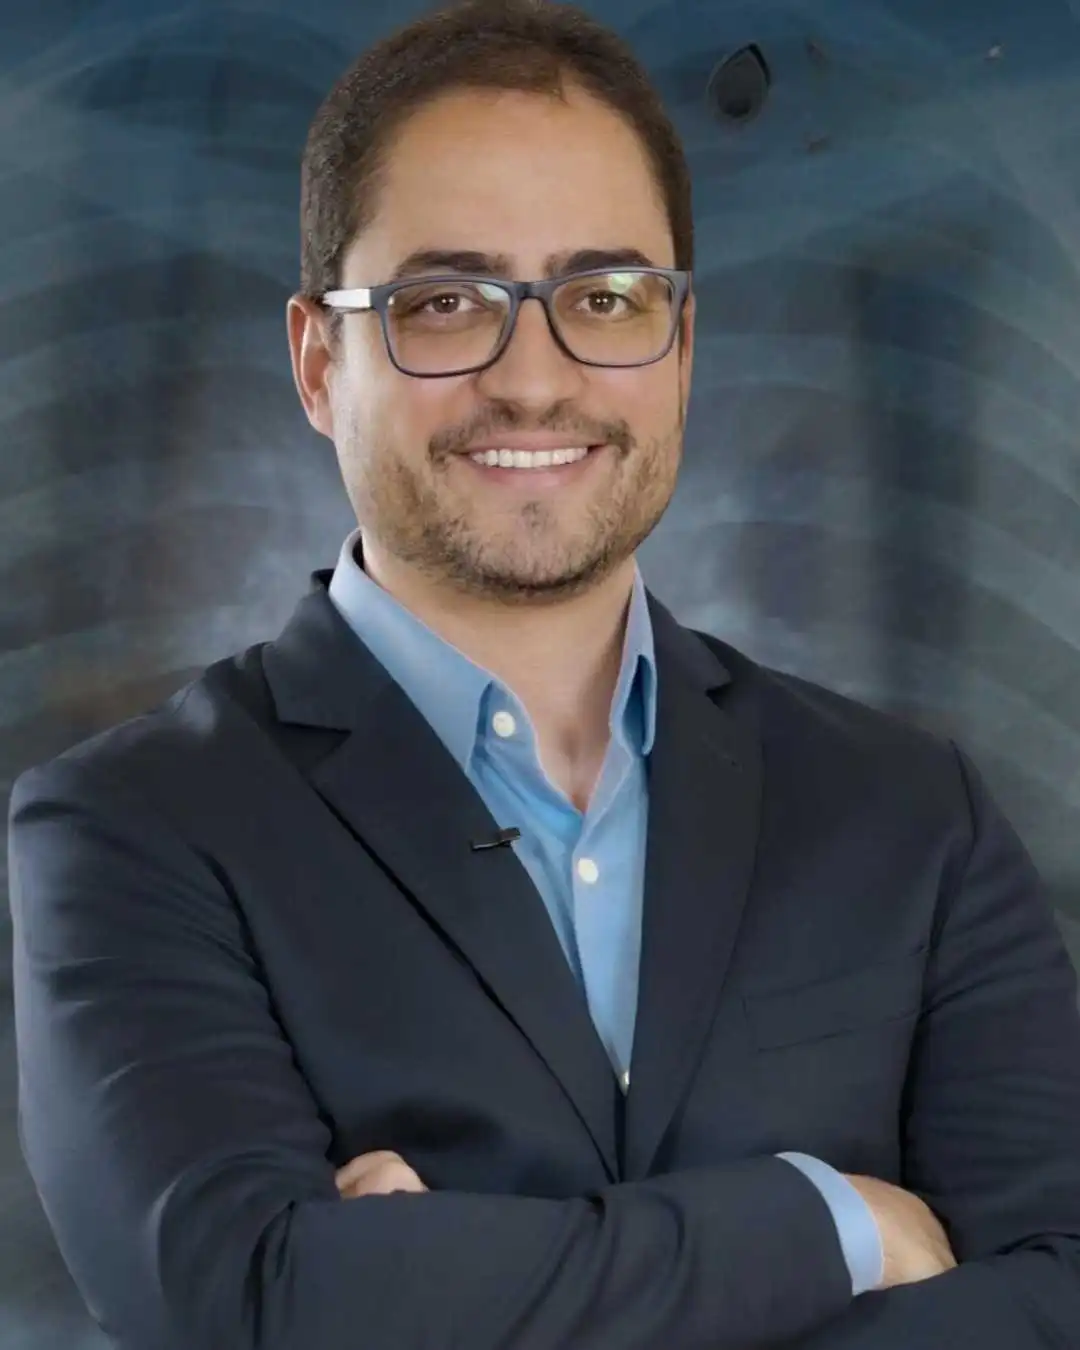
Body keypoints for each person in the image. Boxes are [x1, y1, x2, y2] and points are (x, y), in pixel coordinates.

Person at [8, 1, 1080, 1346]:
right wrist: (834, 1223)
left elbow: (1060, 1289)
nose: (532, 380)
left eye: (605, 298)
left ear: (682, 348)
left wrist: (431, 1287)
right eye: (444, 303)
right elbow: (260, 1302)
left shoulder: (916, 816)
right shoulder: (130, 829)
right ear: (318, 361)